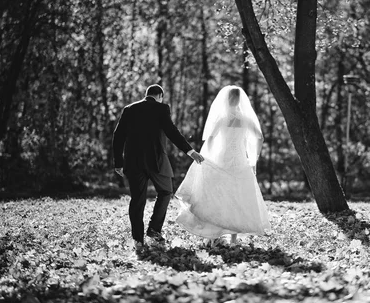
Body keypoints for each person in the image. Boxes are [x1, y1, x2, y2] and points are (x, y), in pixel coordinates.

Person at [113, 84, 204, 252]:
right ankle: (154, 230)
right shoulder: (162, 108)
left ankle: (138, 240)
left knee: (137, 200)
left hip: (133, 162)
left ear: (147, 94)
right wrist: (190, 152)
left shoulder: (129, 109)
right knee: (166, 192)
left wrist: (118, 162)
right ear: (160, 95)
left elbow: (118, 136)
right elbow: (172, 131)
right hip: (156, 161)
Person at [175, 85, 271, 245]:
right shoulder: (246, 119)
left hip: (222, 159)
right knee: (237, 198)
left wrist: (209, 156)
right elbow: (259, 137)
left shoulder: (222, 118)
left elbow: (211, 139)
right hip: (240, 161)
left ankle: (213, 238)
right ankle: (233, 240)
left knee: (217, 197)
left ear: (226, 100)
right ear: (240, 100)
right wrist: (255, 157)